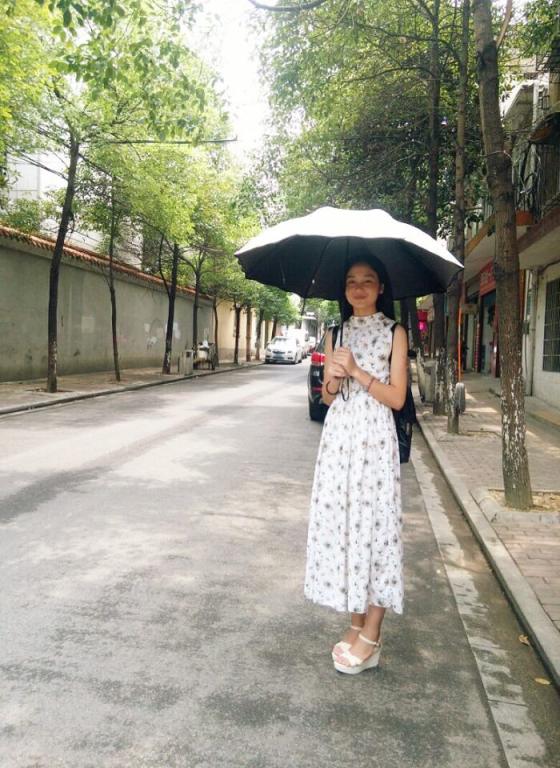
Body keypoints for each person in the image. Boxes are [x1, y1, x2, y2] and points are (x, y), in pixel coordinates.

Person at [304, 255, 408, 675]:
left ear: (381, 287)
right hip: (339, 441)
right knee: (347, 528)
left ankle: (373, 633)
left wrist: (358, 371)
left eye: (367, 280)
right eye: (351, 281)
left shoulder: (395, 332)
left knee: (376, 529)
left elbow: (397, 398)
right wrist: (333, 375)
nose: (358, 288)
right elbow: (329, 397)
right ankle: (355, 624)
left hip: (375, 442)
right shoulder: (336, 333)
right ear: (344, 290)